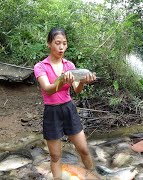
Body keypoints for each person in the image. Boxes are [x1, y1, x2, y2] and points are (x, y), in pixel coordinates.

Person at [34, 28, 97, 179]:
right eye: (57, 43)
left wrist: (83, 82)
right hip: (52, 112)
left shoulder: (70, 66)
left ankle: (93, 175)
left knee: (83, 149)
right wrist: (62, 80)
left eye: (64, 43)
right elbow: (48, 90)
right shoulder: (40, 66)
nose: (61, 47)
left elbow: (77, 90)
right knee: (55, 157)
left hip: (69, 109)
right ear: (49, 44)